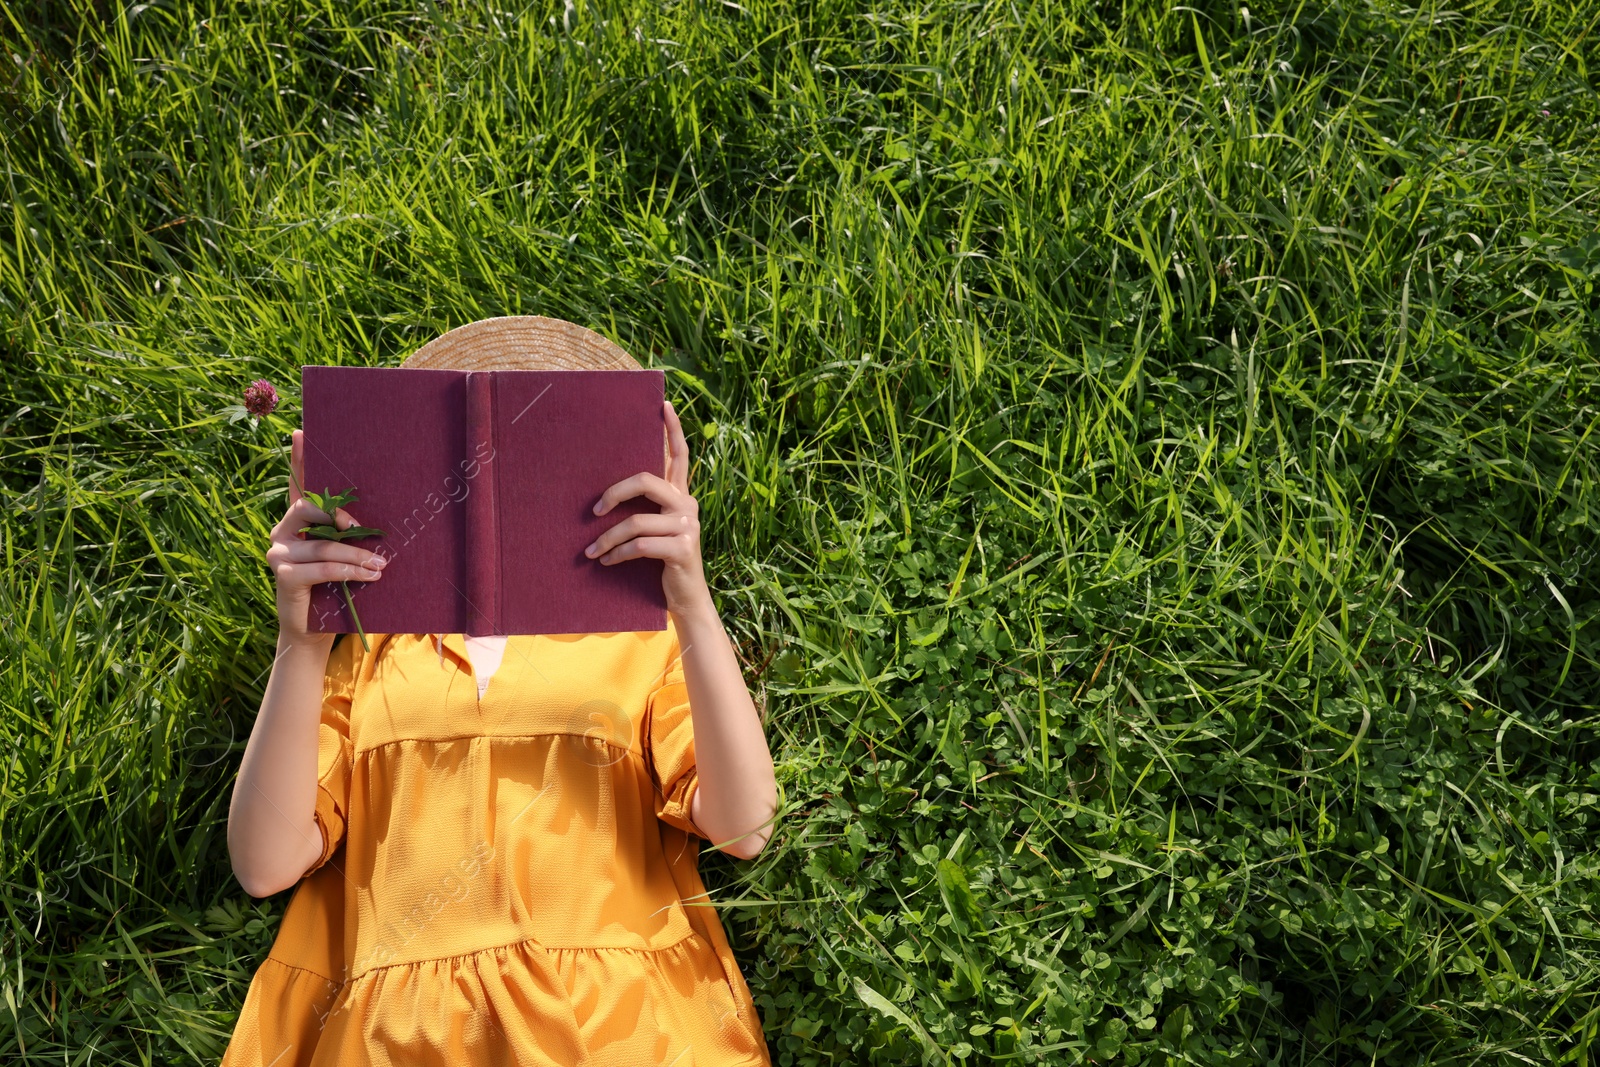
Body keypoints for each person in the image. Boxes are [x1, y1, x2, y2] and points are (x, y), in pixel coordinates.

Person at [220, 375, 778, 1065]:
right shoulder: (372, 654)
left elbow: (747, 825)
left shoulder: (637, 637)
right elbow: (263, 864)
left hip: (616, 1031)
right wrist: (301, 640)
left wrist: (690, 598)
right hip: (402, 1040)